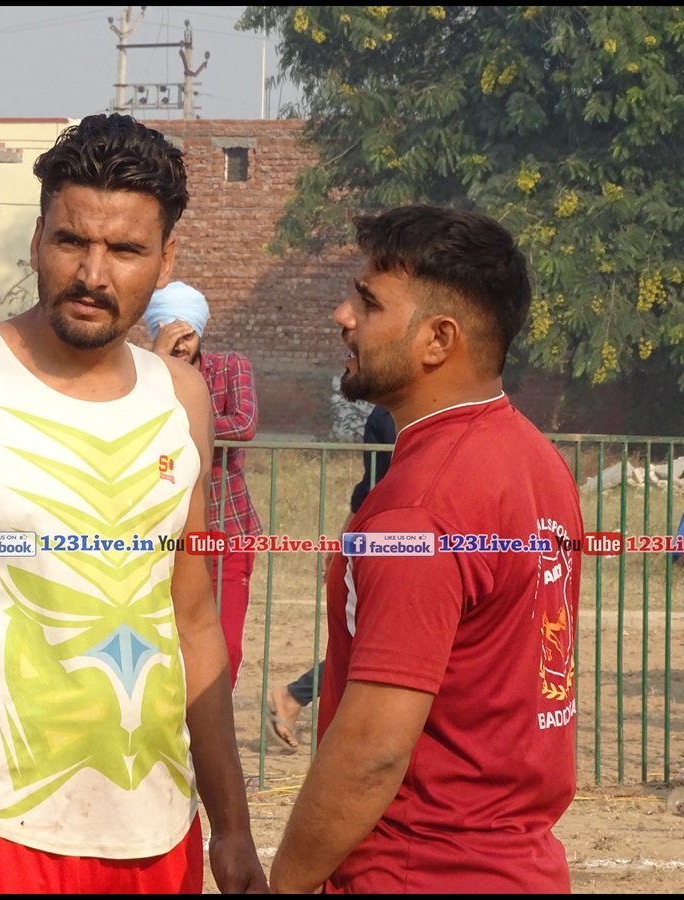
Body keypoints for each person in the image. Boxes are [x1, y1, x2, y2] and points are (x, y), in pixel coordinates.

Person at [0, 115, 266, 894]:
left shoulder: (183, 398)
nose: (92, 273)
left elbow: (194, 618)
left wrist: (231, 829)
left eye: (125, 250)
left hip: (163, 839)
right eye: (71, 241)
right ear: (36, 239)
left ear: (166, 260)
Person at [271, 206, 583, 893]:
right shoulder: (535, 459)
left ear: (438, 339)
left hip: (418, 870)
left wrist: (286, 883)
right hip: (519, 867)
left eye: (368, 302)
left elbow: (374, 751)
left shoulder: (420, 506)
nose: (342, 317)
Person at [147, 282, 260, 690]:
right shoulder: (140, 373)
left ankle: (214, 722)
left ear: (200, 331)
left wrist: (178, 423)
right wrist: (157, 364)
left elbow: (244, 424)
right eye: (169, 335)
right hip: (163, 531)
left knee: (226, 645)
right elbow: (130, 426)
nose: (180, 346)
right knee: (165, 643)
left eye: (187, 335)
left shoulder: (230, 366)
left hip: (227, 526)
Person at [267, 405, 395, 749]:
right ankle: (296, 695)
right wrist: (343, 542)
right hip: (401, 541)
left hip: (425, 539)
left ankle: (296, 695)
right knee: (381, 641)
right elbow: (375, 485)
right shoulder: (390, 414)